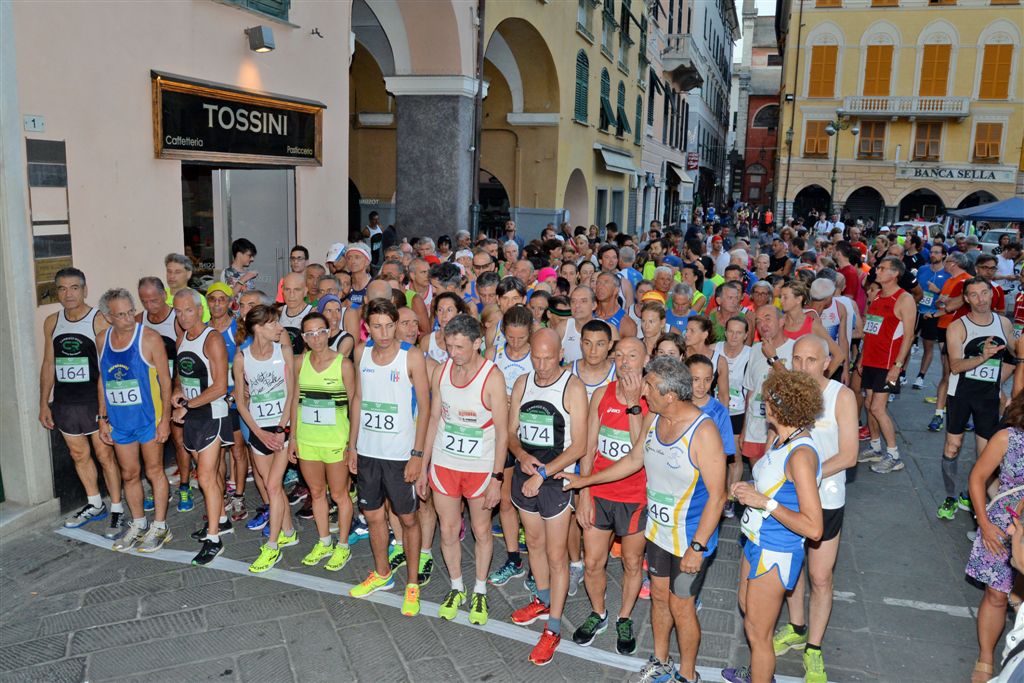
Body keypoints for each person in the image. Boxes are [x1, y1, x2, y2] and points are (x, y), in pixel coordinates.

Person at [560, 357, 726, 683]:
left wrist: (698, 546)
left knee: (682, 607)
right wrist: (585, 481)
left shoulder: (703, 432)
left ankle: (688, 675)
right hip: (659, 533)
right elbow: (635, 459)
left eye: (648, 386)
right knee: (661, 599)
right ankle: (661, 662)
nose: (642, 390)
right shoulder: (654, 416)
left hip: (689, 537)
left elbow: (718, 497)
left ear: (670, 395)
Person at [724, 370, 823, 683]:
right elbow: (777, 489)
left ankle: (761, 676)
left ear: (778, 406)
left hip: (776, 550)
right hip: (755, 542)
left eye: (766, 398)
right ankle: (758, 672)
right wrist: (748, 489)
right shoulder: (784, 440)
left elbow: (814, 527)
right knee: (748, 611)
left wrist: (762, 501)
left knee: (758, 632)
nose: (761, 403)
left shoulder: (801, 455)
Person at [773, 335, 858, 683]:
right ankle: (796, 627)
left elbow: (849, 455)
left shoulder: (842, 396)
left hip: (826, 499)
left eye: (811, 359)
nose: (803, 366)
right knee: (792, 571)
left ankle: (814, 648)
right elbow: (775, 441)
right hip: (789, 498)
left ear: (826, 362)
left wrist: (808, 474)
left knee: (821, 577)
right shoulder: (784, 392)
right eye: (797, 358)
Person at [419, 314, 508, 625]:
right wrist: (422, 465)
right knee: (447, 529)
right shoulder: (441, 371)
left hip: (480, 468)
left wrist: (497, 478)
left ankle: (480, 589)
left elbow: (502, 432)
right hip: (445, 463)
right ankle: (456, 586)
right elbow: (433, 420)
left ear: (477, 343)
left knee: (482, 530)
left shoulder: (492, 377)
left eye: (459, 347)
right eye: (448, 345)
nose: (452, 353)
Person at [507, 328, 589, 665]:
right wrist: (522, 457)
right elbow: (511, 433)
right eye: (535, 357)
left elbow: (580, 445)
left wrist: (543, 474)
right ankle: (542, 599)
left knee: (557, 557)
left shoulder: (573, 386)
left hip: (554, 481)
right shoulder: (523, 382)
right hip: (526, 476)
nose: (541, 365)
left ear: (560, 355)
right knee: (534, 545)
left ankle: (553, 628)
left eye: (548, 358)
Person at [347, 299, 431, 617]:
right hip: (368, 451)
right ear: (368, 326)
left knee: (408, 519)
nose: (383, 333)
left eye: (389, 325)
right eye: (377, 326)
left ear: (397, 324)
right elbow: (358, 399)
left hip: (400, 454)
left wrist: (417, 455)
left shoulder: (411, 355)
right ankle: (382, 574)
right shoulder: (361, 353)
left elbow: (424, 407)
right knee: (372, 516)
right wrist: (352, 445)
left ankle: (412, 583)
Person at [571, 337, 649, 655]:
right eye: (620, 355)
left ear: (645, 360)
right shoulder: (601, 394)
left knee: (632, 562)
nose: (625, 361)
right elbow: (589, 448)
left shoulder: (653, 398)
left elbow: (638, 450)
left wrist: (633, 403)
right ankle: (599, 613)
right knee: (592, 563)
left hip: (635, 497)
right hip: (600, 494)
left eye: (632, 356)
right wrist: (584, 493)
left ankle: (625, 617)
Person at [40, 268, 123, 535]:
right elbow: (49, 363)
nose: (68, 294)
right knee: (78, 455)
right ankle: (95, 504)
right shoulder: (52, 321)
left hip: (93, 402)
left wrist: (107, 407)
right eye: (62, 289)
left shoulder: (98, 321)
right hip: (65, 403)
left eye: (74, 288)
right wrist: (44, 402)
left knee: (104, 455)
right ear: (57, 292)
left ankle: (118, 509)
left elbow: (111, 365)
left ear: (85, 290)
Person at [96, 288, 172, 551]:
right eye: (121, 314)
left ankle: (160, 526)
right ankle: (138, 523)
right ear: (108, 317)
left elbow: (165, 380)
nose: (130, 318)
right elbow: (103, 379)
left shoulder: (149, 338)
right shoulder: (102, 339)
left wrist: (166, 421)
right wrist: (102, 418)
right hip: (120, 421)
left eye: (131, 311)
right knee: (129, 474)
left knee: (154, 471)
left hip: (149, 419)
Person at [938, 277, 1015, 519]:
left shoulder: (1003, 323)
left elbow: (1015, 355)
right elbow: (956, 365)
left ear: (992, 294)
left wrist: (1002, 387)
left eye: (984, 293)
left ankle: (983, 502)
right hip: (961, 395)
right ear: (967, 298)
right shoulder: (957, 326)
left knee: (987, 456)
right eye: (974, 294)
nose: (981, 299)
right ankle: (950, 497)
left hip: (988, 399)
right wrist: (983, 357)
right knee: (953, 446)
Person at [233, 304, 298, 573]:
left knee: (272, 486)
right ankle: (289, 531)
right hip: (258, 429)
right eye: (273, 324)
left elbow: (292, 393)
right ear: (258, 328)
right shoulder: (241, 358)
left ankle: (272, 548)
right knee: (273, 487)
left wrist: (282, 430)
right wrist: (258, 433)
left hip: (281, 427)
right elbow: (240, 399)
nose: (280, 328)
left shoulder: (284, 352)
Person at [172, 288, 233, 566]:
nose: (183, 316)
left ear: (200, 310)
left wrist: (189, 404)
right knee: (209, 475)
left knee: (206, 477)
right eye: (178, 310)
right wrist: (176, 393)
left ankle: (213, 539)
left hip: (212, 413)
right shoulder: (182, 337)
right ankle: (221, 520)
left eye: (188, 310)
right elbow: (180, 375)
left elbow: (220, 386)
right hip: (194, 413)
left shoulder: (213, 339)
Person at [966, 396, 1024, 683]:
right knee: (996, 595)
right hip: (1002, 524)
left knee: (1016, 596)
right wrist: (984, 523)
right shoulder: (1008, 437)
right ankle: (986, 656)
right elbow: (977, 477)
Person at [486, 305, 535, 587]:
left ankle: (535, 563)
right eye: (511, 337)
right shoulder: (494, 354)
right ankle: (514, 558)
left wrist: (514, 401)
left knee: (529, 503)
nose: (515, 343)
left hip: (529, 437)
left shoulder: (537, 356)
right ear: (503, 332)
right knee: (505, 500)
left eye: (521, 338)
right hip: (501, 435)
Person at [137, 276, 194, 512]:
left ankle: (184, 486)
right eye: (144, 300)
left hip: (174, 390)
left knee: (179, 441)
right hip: (150, 394)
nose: (150, 305)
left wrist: (178, 388)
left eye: (154, 300)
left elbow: (184, 357)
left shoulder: (176, 319)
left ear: (164, 296)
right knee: (152, 444)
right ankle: (158, 487)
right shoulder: (139, 321)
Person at [857, 257, 917, 474]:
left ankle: (894, 455)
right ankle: (875, 447)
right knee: (868, 405)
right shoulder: (877, 295)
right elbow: (870, 331)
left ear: (894, 274)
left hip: (888, 363)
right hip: (871, 361)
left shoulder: (904, 299)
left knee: (877, 408)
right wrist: (862, 358)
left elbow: (909, 337)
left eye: (882, 269)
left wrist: (898, 366)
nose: (877, 271)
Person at [206, 283, 248, 522]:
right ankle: (219, 497)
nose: (217, 304)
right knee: (216, 454)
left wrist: (237, 395)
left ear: (230, 302)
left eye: (222, 299)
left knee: (237, 450)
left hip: (233, 400)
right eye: (213, 300)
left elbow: (245, 367)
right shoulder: (203, 329)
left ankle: (239, 496)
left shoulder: (237, 328)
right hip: (211, 401)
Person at [743, 305, 796, 463]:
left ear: (782, 321)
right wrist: (745, 429)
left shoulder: (795, 348)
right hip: (755, 429)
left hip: (783, 428)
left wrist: (773, 358)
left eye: (768, 318)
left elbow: (796, 388)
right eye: (758, 321)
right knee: (757, 476)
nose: (762, 325)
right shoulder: (755, 349)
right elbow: (750, 392)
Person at [912, 243, 951, 390]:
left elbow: (949, 298)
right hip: (917, 311)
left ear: (943, 255)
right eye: (932, 252)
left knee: (928, 346)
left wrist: (938, 290)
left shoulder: (948, 275)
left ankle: (920, 376)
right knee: (908, 342)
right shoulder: (922, 269)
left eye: (937, 252)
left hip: (933, 314)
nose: (933, 254)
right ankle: (902, 374)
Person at [684, 315, 730, 401]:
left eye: (692, 331)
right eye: (686, 330)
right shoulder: (679, 355)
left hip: (707, 410)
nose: (686, 334)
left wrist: (724, 414)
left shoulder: (719, 361)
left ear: (704, 335)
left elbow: (724, 396)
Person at [572, 320, 617, 402]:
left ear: (610, 345)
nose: (593, 351)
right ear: (581, 343)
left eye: (600, 344)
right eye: (587, 343)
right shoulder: (567, 373)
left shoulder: (618, 376)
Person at [422, 292, 470, 363]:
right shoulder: (427, 341)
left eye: (449, 310)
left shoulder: (467, 340)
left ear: (459, 314)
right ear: (436, 313)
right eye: (440, 310)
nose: (444, 315)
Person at [164, 253, 210, 321]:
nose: (172, 276)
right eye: (169, 271)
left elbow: (203, 326)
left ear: (189, 274)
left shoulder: (198, 298)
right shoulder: (159, 295)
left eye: (177, 272)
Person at [279, 272, 313, 356]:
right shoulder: (277, 313)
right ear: (282, 290)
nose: (291, 295)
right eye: (287, 289)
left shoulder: (313, 314)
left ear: (305, 291)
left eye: (297, 290)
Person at [595, 272, 639, 337]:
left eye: (606, 283)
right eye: (598, 283)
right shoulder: (588, 315)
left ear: (616, 290)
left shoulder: (627, 324)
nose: (600, 287)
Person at [221, 237, 259, 306]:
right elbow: (229, 296)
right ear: (239, 254)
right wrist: (244, 278)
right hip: (233, 316)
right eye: (249, 255)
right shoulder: (227, 272)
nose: (252, 259)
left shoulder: (248, 273)